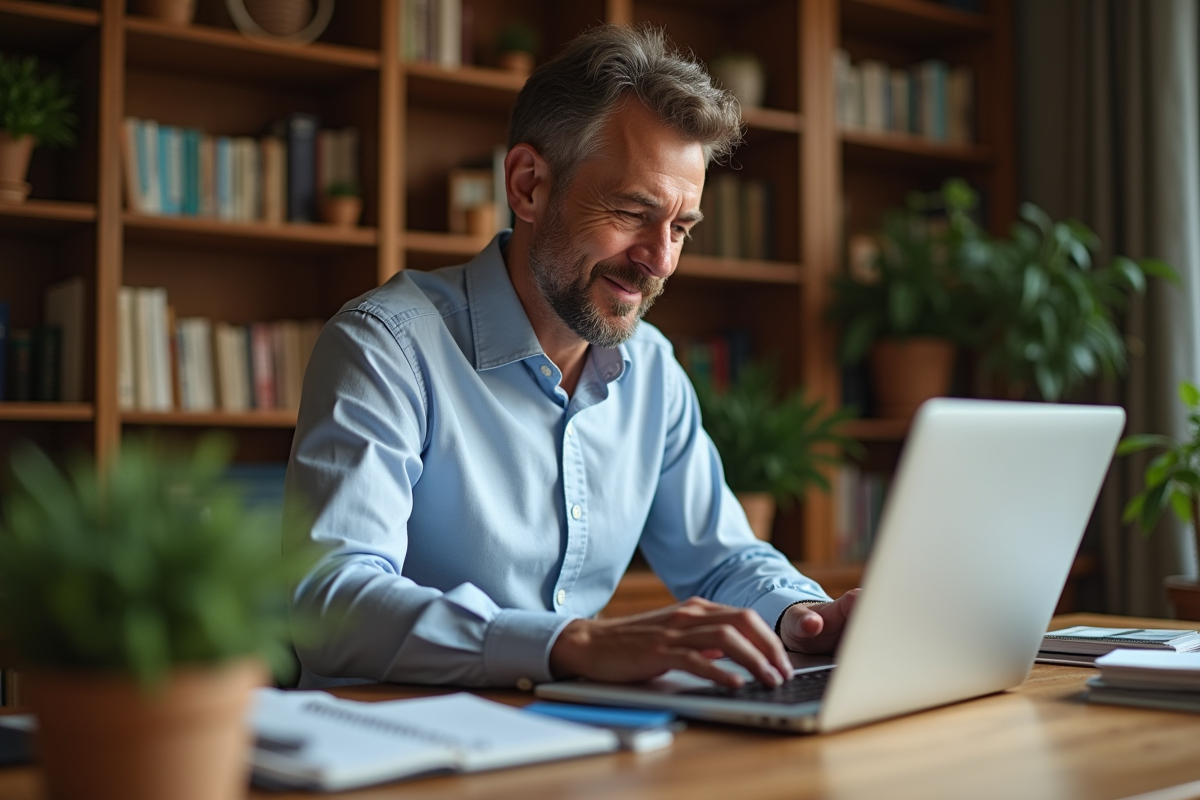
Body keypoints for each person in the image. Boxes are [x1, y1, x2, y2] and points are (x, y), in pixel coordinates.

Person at [285, 23, 857, 692]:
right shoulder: (385, 348)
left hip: (577, 741)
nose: (661, 260)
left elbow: (722, 561)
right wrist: (571, 643)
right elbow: (330, 601)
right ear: (528, 185)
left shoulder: (654, 372)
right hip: (398, 754)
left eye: (680, 228)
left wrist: (806, 616)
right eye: (632, 211)